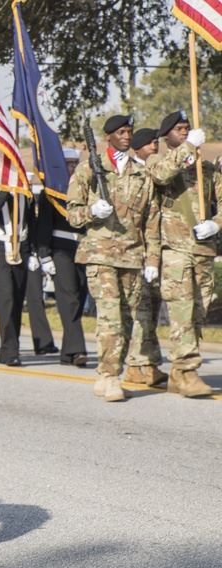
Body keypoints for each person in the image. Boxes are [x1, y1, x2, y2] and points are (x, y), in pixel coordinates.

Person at [66, 114, 157, 402]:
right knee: (110, 317)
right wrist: (93, 212)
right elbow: (72, 214)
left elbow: (151, 220)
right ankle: (110, 376)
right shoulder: (89, 170)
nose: (127, 137)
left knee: (129, 320)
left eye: (129, 132)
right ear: (108, 137)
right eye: (120, 132)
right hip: (100, 254)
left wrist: (152, 259)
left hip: (132, 255)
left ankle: (109, 369)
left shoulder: (141, 173)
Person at [144, 110, 220, 397]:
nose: (185, 133)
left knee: (199, 314)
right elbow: (162, 176)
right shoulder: (156, 161)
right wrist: (188, 148)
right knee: (182, 311)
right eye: (179, 130)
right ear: (167, 137)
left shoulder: (207, 169)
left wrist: (215, 224)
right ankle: (187, 371)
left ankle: (178, 371)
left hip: (203, 249)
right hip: (174, 250)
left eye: (188, 129)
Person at [122, 127, 168, 387]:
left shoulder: (153, 168)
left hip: (156, 247)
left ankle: (146, 363)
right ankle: (136, 363)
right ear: (137, 147)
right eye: (150, 143)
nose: (155, 147)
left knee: (151, 309)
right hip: (136, 249)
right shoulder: (131, 171)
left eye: (156, 143)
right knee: (140, 309)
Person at [35, 148, 90, 367]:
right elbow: (43, 226)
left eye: (75, 163)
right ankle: (77, 350)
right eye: (68, 164)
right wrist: (44, 255)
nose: (72, 168)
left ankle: (67, 352)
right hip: (60, 248)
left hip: (82, 247)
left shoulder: (86, 189)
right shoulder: (51, 192)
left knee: (79, 295)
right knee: (70, 298)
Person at [0, 182, 37, 366]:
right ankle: (9, 351)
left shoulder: (25, 190)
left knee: (18, 299)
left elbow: (31, 221)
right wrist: (6, 189)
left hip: (22, 246)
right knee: (7, 298)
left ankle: (13, 347)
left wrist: (34, 252)